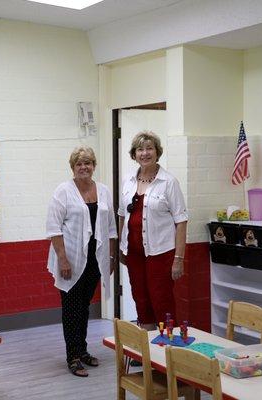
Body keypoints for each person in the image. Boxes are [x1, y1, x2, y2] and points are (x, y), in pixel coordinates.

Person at [46, 146, 117, 377]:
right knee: (71, 308)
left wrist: (112, 256)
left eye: (88, 163)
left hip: (95, 259)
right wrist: (63, 260)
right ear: (73, 167)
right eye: (79, 164)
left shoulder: (104, 191)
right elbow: (53, 228)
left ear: (94, 166)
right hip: (72, 259)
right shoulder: (63, 191)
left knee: (84, 307)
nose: (84, 167)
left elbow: (111, 228)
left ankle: (83, 350)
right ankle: (73, 356)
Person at [118, 131, 187, 331]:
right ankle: (148, 352)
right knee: (140, 298)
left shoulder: (169, 182)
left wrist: (178, 259)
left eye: (149, 148)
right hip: (134, 253)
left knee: (161, 299)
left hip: (161, 253)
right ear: (134, 154)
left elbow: (181, 221)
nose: (145, 153)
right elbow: (122, 216)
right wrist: (122, 249)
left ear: (157, 152)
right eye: (140, 149)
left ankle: (167, 350)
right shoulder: (128, 181)